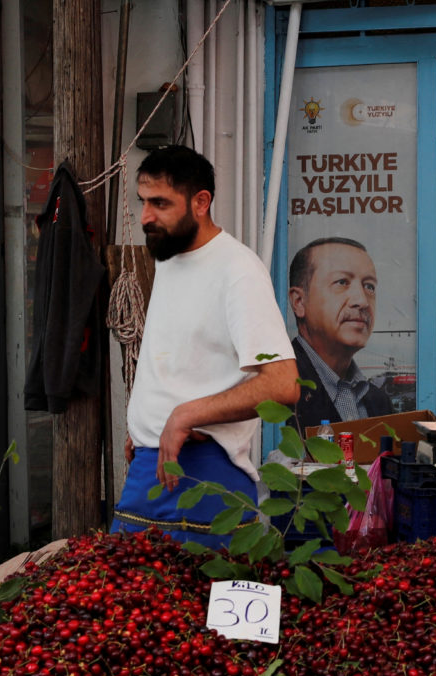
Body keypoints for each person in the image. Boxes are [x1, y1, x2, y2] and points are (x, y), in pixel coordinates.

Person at [111, 145, 299, 548]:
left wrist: (183, 415)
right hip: (149, 467)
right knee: (125, 605)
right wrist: (145, 418)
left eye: (160, 203)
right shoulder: (169, 257)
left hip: (205, 472)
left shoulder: (238, 271)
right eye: (143, 202)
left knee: (196, 608)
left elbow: (283, 386)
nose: (145, 217)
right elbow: (185, 356)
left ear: (201, 202)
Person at [287, 237, 391, 429]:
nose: (362, 301)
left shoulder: (379, 402)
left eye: (369, 286)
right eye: (342, 282)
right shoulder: (280, 387)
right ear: (299, 302)